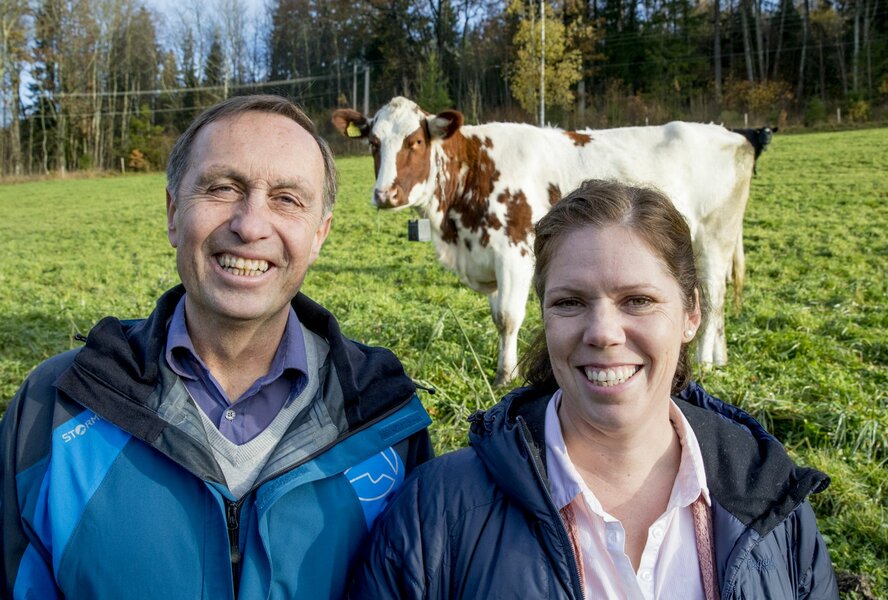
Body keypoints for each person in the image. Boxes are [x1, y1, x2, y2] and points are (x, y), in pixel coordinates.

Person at [0, 95, 433, 599]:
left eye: (287, 199)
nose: (250, 224)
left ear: (319, 235)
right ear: (172, 213)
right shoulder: (52, 408)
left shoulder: (388, 420)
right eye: (222, 188)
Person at [349, 179, 838, 599]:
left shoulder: (774, 505)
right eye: (570, 302)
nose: (603, 332)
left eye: (638, 300)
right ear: (542, 313)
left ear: (692, 314)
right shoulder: (435, 512)